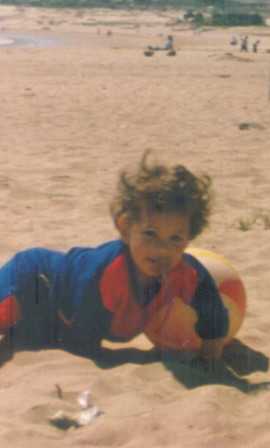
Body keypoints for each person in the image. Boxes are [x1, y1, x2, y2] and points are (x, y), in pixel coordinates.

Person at [0, 153, 229, 360]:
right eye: (150, 234)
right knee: (7, 313)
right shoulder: (108, 273)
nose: (161, 250)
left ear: (189, 238)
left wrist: (211, 351)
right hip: (35, 279)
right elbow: (83, 344)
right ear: (125, 229)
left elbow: (211, 305)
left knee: (33, 331)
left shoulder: (186, 272)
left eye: (175, 238)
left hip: (57, 320)